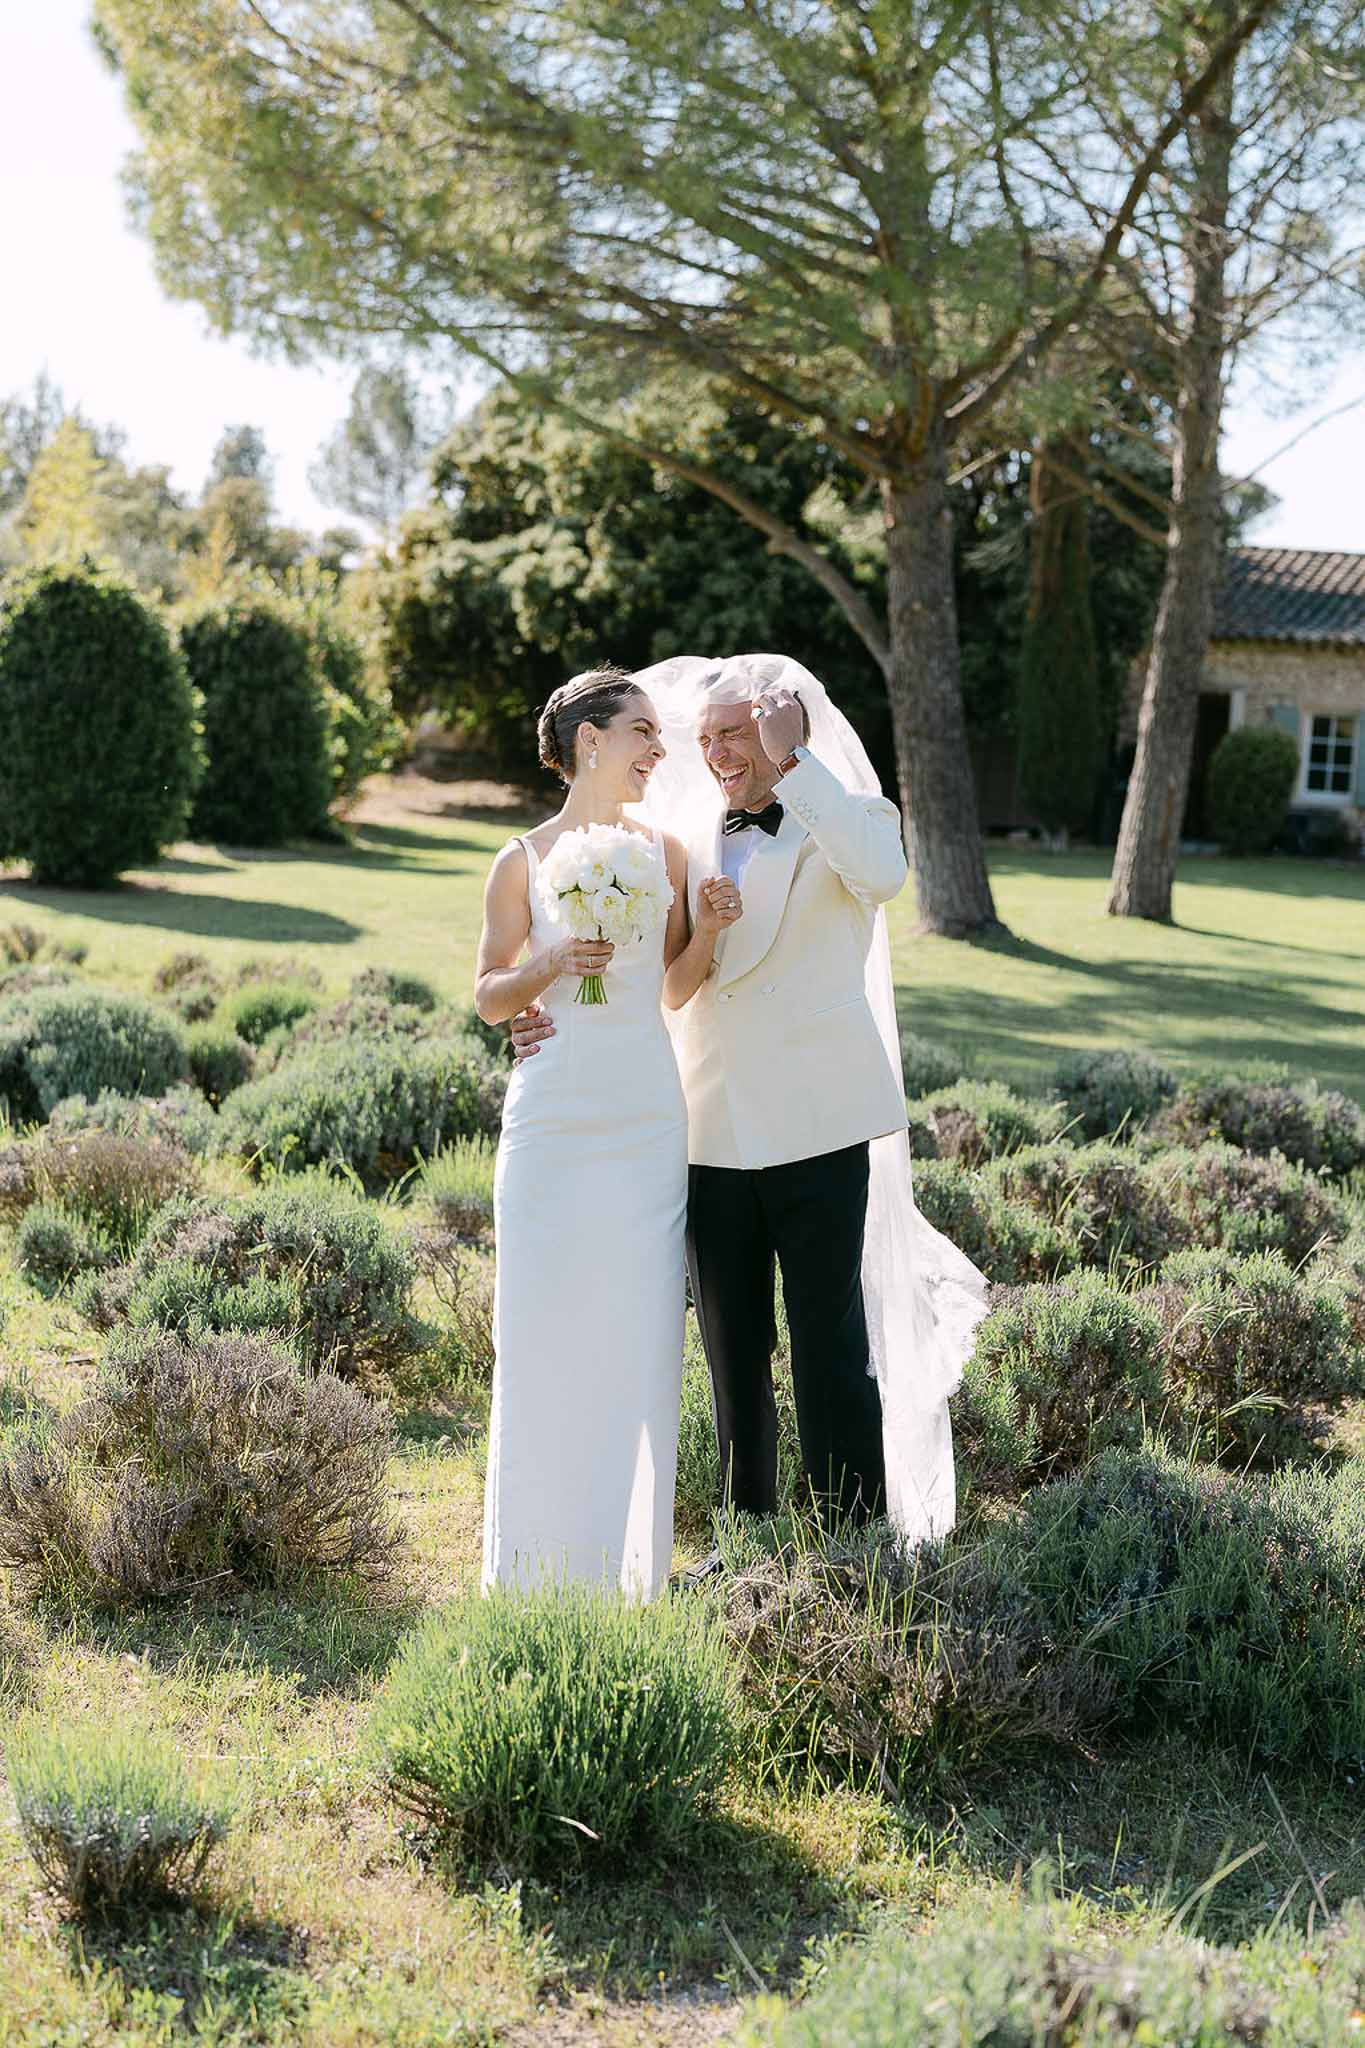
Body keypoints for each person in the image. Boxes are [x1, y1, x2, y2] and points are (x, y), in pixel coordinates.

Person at [512, 653, 989, 1550]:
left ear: (784, 730)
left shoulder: (848, 818)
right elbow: (647, 972)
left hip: (818, 1124)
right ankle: (748, 1536)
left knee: (827, 1343)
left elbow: (883, 879)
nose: (716, 752)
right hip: (709, 1126)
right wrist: (541, 1012)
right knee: (734, 1353)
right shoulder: (686, 837)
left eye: (734, 734)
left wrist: (796, 762)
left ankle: (849, 1536)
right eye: (707, 738)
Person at [473, 665, 741, 1599]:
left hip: (642, 1116)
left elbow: (671, 986)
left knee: (635, 1338)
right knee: (542, 1329)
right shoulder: (520, 857)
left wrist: (704, 930)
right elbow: (486, 995)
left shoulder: (666, 853)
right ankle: (531, 1576)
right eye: (643, 734)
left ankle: (626, 1576)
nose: (658, 754)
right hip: (549, 1120)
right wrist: (547, 965)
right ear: (590, 740)